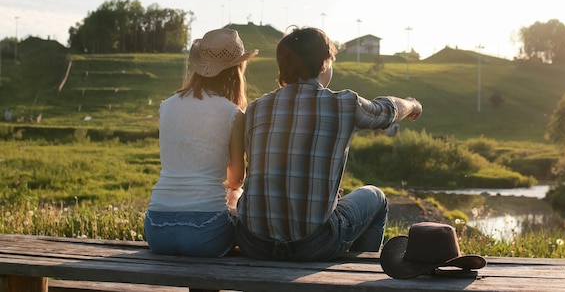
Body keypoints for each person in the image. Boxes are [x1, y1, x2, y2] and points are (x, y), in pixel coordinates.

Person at [236, 26, 422, 261]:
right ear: (324, 62)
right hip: (312, 245)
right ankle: (355, 276)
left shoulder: (256, 108)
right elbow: (387, 111)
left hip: (255, 243)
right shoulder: (342, 104)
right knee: (375, 197)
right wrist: (413, 104)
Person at [144, 28, 257, 257]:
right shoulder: (233, 113)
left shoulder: (167, 106)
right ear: (237, 70)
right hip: (204, 231)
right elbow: (235, 179)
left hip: (156, 229)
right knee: (235, 195)